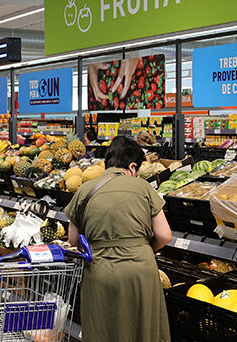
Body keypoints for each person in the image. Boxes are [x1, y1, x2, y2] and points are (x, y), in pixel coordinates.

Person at [63, 136, 172, 342]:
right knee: (142, 330)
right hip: (140, 271)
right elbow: (165, 235)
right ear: (132, 166)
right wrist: (144, 248)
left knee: (102, 329)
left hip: (100, 270)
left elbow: (73, 240)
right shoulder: (143, 187)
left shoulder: (84, 190)